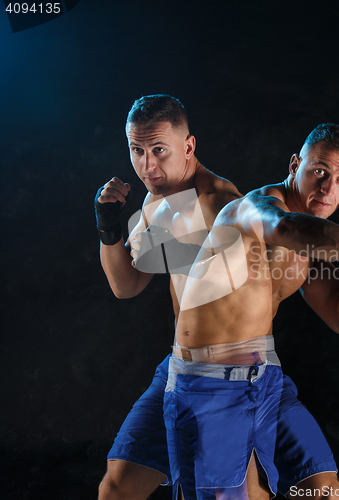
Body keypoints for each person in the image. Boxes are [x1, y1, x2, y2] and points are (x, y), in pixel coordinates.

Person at [164, 123, 339, 500]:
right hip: (209, 383)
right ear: (294, 164)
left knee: (324, 491)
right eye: (319, 171)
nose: (328, 188)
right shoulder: (255, 208)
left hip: (265, 378)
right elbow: (285, 227)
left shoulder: (312, 247)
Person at [94, 94, 242, 500]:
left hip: (229, 375)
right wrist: (110, 230)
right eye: (136, 151)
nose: (147, 165)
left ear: (188, 147)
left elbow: (263, 281)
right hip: (181, 365)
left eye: (158, 150)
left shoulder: (219, 203)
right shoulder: (154, 197)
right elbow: (127, 285)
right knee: (117, 488)